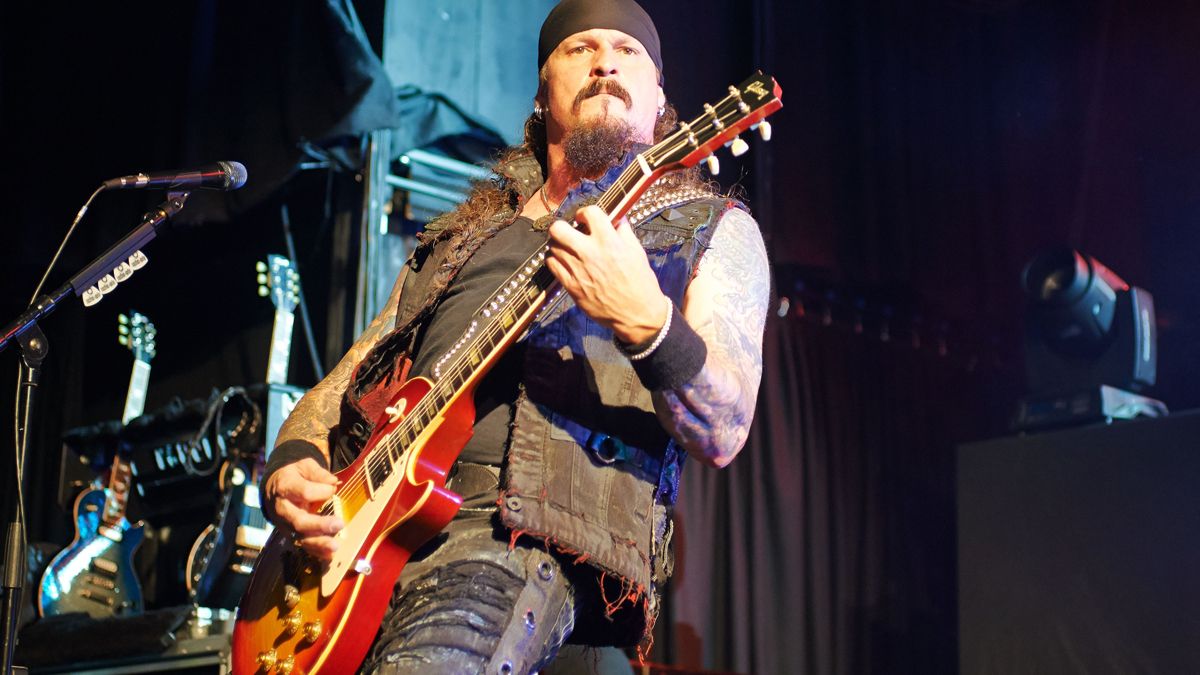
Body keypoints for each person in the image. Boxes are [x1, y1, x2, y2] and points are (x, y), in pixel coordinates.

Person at [260, 0, 770, 672]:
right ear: (541, 91)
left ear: (660, 99)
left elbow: (726, 426)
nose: (606, 61)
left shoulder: (705, 228)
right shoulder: (457, 242)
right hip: (368, 561)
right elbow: (342, 383)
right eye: (580, 48)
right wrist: (290, 461)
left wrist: (648, 324)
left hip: (525, 544)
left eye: (627, 50)